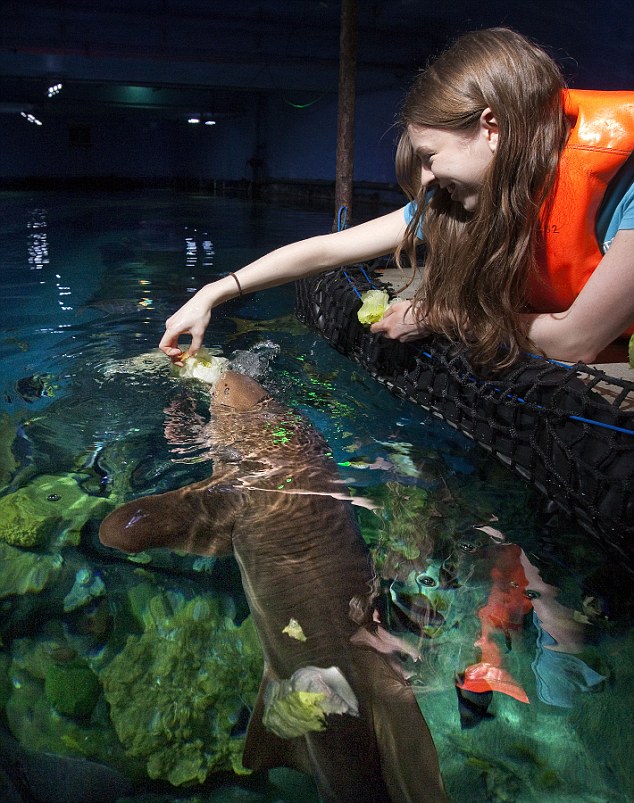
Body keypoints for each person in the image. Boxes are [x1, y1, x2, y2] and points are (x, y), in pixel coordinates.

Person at [160, 28, 634, 370]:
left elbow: (576, 340)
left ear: (493, 129)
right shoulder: (468, 195)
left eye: (430, 156)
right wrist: (213, 292)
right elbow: (327, 250)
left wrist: (436, 314)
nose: (424, 178)